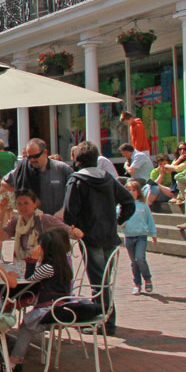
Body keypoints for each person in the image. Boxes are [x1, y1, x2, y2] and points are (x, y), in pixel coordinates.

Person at [63, 140, 135, 335]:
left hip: (90, 237)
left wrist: (76, 228)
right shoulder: (108, 179)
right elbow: (129, 202)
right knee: (104, 281)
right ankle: (105, 318)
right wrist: (117, 221)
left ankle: (105, 321)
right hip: (109, 237)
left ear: (77, 160)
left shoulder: (76, 180)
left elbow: (70, 213)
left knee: (98, 282)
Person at [0, 229, 72, 372]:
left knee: (26, 327)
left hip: (50, 309)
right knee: (23, 324)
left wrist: (32, 259)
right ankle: (13, 359)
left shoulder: (48, 267)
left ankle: (13, 363)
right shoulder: (63, 264)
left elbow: (30, 278)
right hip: (61, 306)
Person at [0, 189, 77, 272]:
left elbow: (69, 231)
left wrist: (75, 232)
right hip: (23, 267)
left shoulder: (44, 219)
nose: (22, 207)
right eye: (19, 203)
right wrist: (1, 212)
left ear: (35, 204)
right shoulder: (16, 222)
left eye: (26, 203)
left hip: (42, 268)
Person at [1, 138, 73, 218]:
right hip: (33, 221)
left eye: (35, 156)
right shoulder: (24, 168)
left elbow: (74, 192)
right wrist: (23, 193)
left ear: (45, 152)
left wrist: (63, 210)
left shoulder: (62, 169)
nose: (32, 160)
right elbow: (4, 182)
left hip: (57, 220)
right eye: (29, 157)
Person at [122, 179, 157, 294]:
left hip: (141, 235)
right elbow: (118, 217)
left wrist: (153, 233)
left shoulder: (143, 204)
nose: (131, 192)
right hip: (129, 236)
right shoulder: (123, 205)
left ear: (138, 192)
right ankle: (137, 284)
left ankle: (147, 279)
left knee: (140, 258)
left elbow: (149, 219)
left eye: (134, 190)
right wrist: (121, 223)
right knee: (134, 262)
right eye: (129, 190)